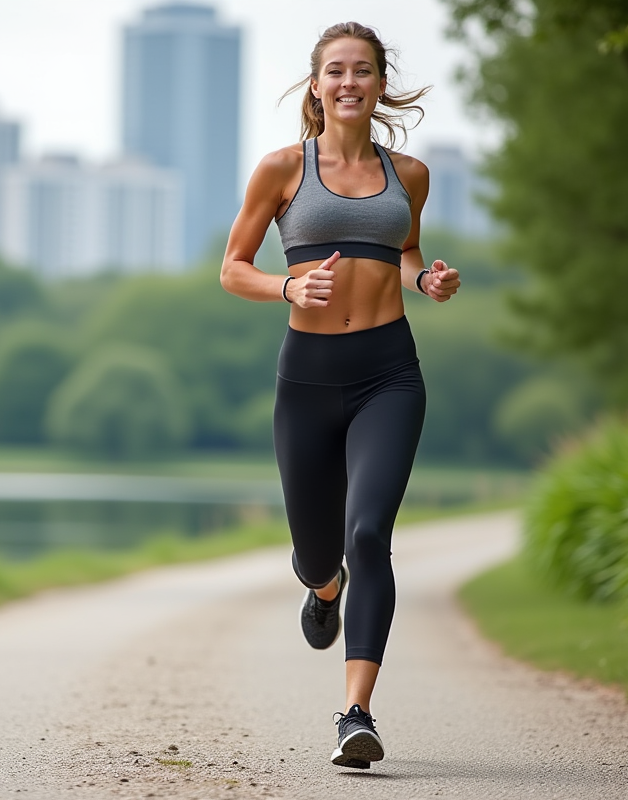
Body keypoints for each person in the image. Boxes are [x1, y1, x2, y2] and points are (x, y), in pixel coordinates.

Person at [219, 21, 460, 770]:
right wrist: (287, 283)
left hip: (390, 372)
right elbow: (232, 267)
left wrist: (425, 278)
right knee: (319, 552)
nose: (350, 81)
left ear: (381, 83)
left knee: (368, 535)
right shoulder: (282, 169)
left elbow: (407, 245)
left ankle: (355, 711)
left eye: (363, 70)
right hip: (308, 379)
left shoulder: (411, 173)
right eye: (336, 71)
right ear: (317, 86)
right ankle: (324, 590)